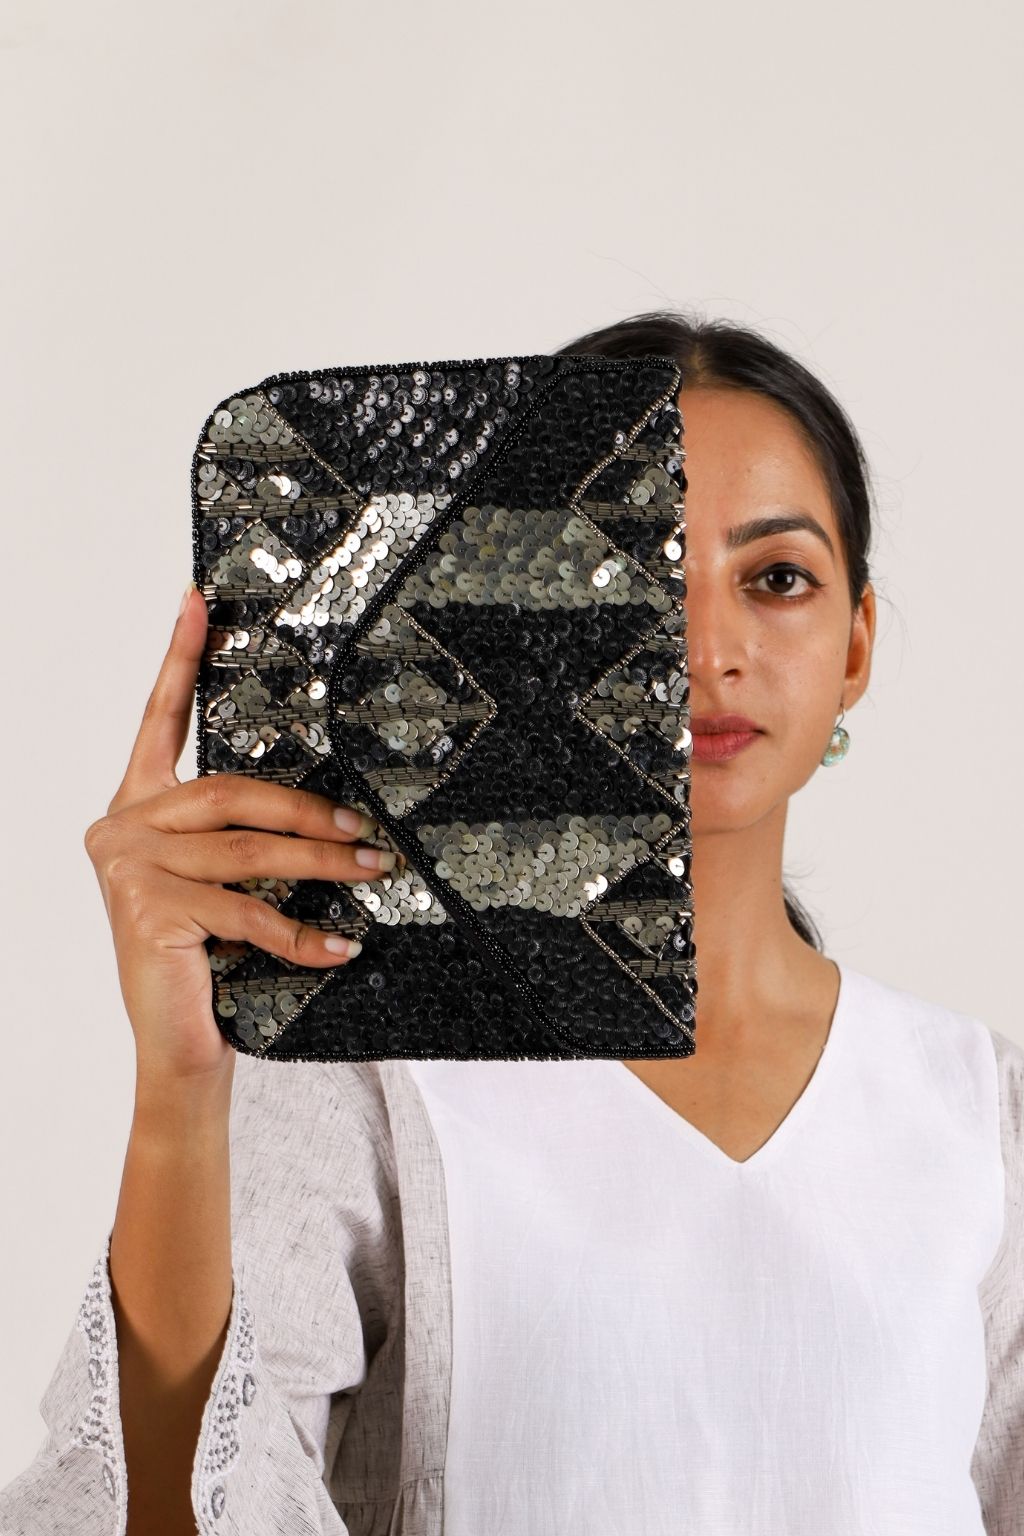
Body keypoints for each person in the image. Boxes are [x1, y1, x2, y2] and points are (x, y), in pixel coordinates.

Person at [0, 310, 1020, 1536]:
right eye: (626, 571)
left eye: (776, 579)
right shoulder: (369, 1076)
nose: (704, 648)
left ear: (854, 646)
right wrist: (179, 1091)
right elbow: (172, 1513)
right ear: (507, 618)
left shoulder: (980, 1112)